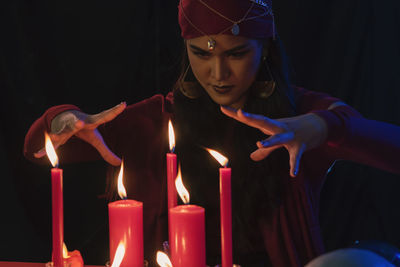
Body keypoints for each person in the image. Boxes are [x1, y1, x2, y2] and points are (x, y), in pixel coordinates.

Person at [23, 0, 400, 266]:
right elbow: (36, 149)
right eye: (202, 54)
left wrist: (324, 126)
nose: (218, 74)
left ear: (265, 48)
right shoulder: (156, 119)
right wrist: (63, 121)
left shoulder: (297, 117)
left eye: (236, 53)